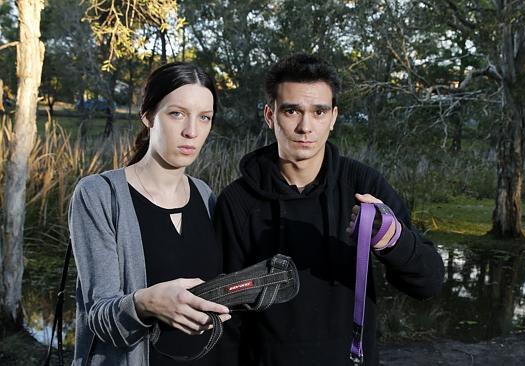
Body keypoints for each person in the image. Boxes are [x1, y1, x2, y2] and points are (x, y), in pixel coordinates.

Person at [214, 53, 445, 366]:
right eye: (292, 110)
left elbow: (429, 283)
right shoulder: (237, 201)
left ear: (334, 117)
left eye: (319, 111)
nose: (305, 126)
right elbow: (227, 318)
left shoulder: (363, 185)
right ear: (271, 116)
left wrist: (395, 241)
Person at [69, 62, 231, 365]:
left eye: (204, 117)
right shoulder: (99, 194)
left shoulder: (206, 195)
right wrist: (146, 303)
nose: (191, 131)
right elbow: (98, 318)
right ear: (147, 115)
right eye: (176, 114)